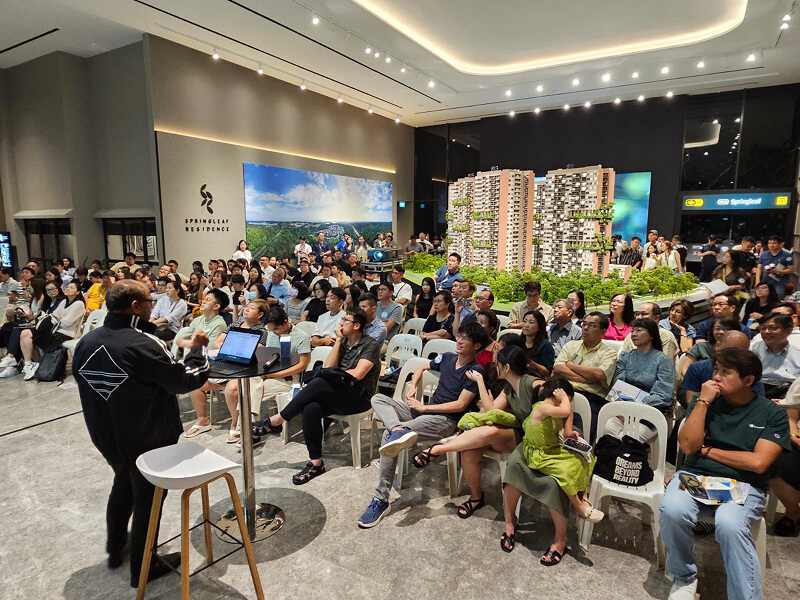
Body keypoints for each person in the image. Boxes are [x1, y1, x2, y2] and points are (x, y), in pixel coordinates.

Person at [74, 280, 210, 588]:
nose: (153, 305)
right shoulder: (142, 343)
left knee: (122, 484)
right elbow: (183, 380)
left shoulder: (87, 341)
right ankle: (143, 567)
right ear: (135, 307)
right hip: (146, 437)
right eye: (149, 301)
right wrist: (198, 349)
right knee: (148, 499)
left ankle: (115, 548)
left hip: (105, 434)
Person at [660, 348, 788, 600]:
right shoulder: (704, 401)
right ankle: (684, 576)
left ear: (747, 380)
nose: (716, 377)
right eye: (716, 370)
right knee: (673, 510)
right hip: (697, 474)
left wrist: (707, 450)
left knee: (729, 525)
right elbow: (688, 446)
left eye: (726, 372)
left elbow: (759, 463)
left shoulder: (772, 413)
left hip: (745, 482)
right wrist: (703, 402)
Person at [358, 322, 490, 527]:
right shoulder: (447, 358)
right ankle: (397, 428)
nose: (459, 340)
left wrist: (425, 407)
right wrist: (413, 387)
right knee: (378, 399)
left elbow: (460, 404)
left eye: (466, 339)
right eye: (460, 336)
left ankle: (380, 499)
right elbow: (421, 366)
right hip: (423, 411)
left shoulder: (475, 371)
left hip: (444, 420)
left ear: (477, 346)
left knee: (387, 436)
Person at [253, 307, 381, 484]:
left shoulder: (370, 344)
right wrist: (338, 341)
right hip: (340, 391)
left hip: (360, 398)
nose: (341, 323)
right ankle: (316, 463)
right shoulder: (343, 342)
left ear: (357, 325)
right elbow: (328, 367)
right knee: (310, 408)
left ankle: (277, 421)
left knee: (320, 381)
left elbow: (358, 374)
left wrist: (334, 374)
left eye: (345, 320)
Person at [410, 346, 536, 517]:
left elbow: (552, 392)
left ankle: (438, 449)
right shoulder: (508, 389)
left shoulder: (531, 383)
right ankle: (476, 497)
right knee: (468, 452)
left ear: (507, 367)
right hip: (502, 431)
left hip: (524, 438)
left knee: (490, 431)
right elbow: (491, 411)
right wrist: (480, 382)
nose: (494, 365)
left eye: (497, 362)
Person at [501, 376, 603, 557]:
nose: (568, 403)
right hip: (538, 453)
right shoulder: (543, 408)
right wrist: (565, 399)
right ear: (557, 396)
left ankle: (583, 495)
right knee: (563, 471)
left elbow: (568, 411)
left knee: (582, 460)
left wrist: (568, 430)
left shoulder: (557, 407)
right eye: (566, 399)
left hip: (550, 447)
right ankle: (578, 505)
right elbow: (566, 409)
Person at [184, 299, 269, 441]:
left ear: (260, 314)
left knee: (232, 388)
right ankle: (202, 420)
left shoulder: (262, 331)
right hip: (226, 363)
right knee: (196, 381)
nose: (247, 309)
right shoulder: (235, 325)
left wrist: (230, 345)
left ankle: (235, 424)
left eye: (252, 308)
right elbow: (217, 343)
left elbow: (254, 352)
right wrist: (236, 347)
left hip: (245, 370)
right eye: (247, 306)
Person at [552, 312, 618, 441]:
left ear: (603, 332)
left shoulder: (609, 353)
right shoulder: (571, 345)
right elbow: (558, 368)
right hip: (563, 392)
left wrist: (571, 365)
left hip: (591, 398)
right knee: (547, 427)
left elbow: (599, 374)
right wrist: (588, 378)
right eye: (584, 324)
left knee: (578, 436)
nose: (586, 328)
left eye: (592, 325)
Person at [609, 318, 676, 441]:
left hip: (650, 409)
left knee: (627, 438)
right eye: (632, 331)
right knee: (608, 431)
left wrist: (635, 409)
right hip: (623, 407)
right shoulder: (625, 357)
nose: (634, 334)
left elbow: (663, 394)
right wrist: (622, 407)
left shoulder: (663, 360)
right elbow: (618, 384)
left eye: (639, 330)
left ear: (651, 335)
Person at [17, 281, 85, 380]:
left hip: (66, 334)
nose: (68, 289)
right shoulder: (64, 302)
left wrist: (58, 318)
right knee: (25, 333)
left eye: (71, 288)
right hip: (54, 330)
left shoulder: (79, 304)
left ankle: (39, 364)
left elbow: (66, 323)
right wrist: (58, 318)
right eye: (67, 287)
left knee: (32, 338)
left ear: (77, 292)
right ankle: (30, 364)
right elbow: (53, 315)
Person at [681, 331, 766, 407]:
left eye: (739, 353)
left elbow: (757, 408)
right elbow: (691, 403)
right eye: (729, 351)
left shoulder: (750, 375)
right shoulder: (698, 368)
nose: (716, 377)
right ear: (717, 345)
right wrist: (703, 401)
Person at [749, 312, 800, 399]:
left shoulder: (797, 351)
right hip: (757, 389)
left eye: (772, 328)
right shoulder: (753, 348)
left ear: (788, 331)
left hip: (789, 393)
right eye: (763, 328)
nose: (766, 332)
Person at [175, 289, 228, 356]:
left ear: (216, 306)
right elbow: (178, 340)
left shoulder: (219, 324)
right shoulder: (197, 320)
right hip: (192, 355)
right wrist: (187, 343)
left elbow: (210, 349)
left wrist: (189, 343)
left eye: (208, 299)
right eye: (204, 299)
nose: (203, 301)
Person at [756, 234, 794, 299]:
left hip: (779, 282)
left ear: (780, 244)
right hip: (765, 281)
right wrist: (757, 282)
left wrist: (778, 271)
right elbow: (759, 268)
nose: (771, 245)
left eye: (774, 243)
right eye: (769, 243)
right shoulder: (764, 254)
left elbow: (791, 269)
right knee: (763, 299)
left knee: (777, 299)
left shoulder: (787, 255)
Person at [521, 310, 555, 378]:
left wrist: (533, 364)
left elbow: (547, 372)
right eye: (524, 321)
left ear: (539, 327)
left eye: (531, 322)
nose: (526, 325)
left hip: (534, 378)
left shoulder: (545, 345)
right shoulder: (518, 341)